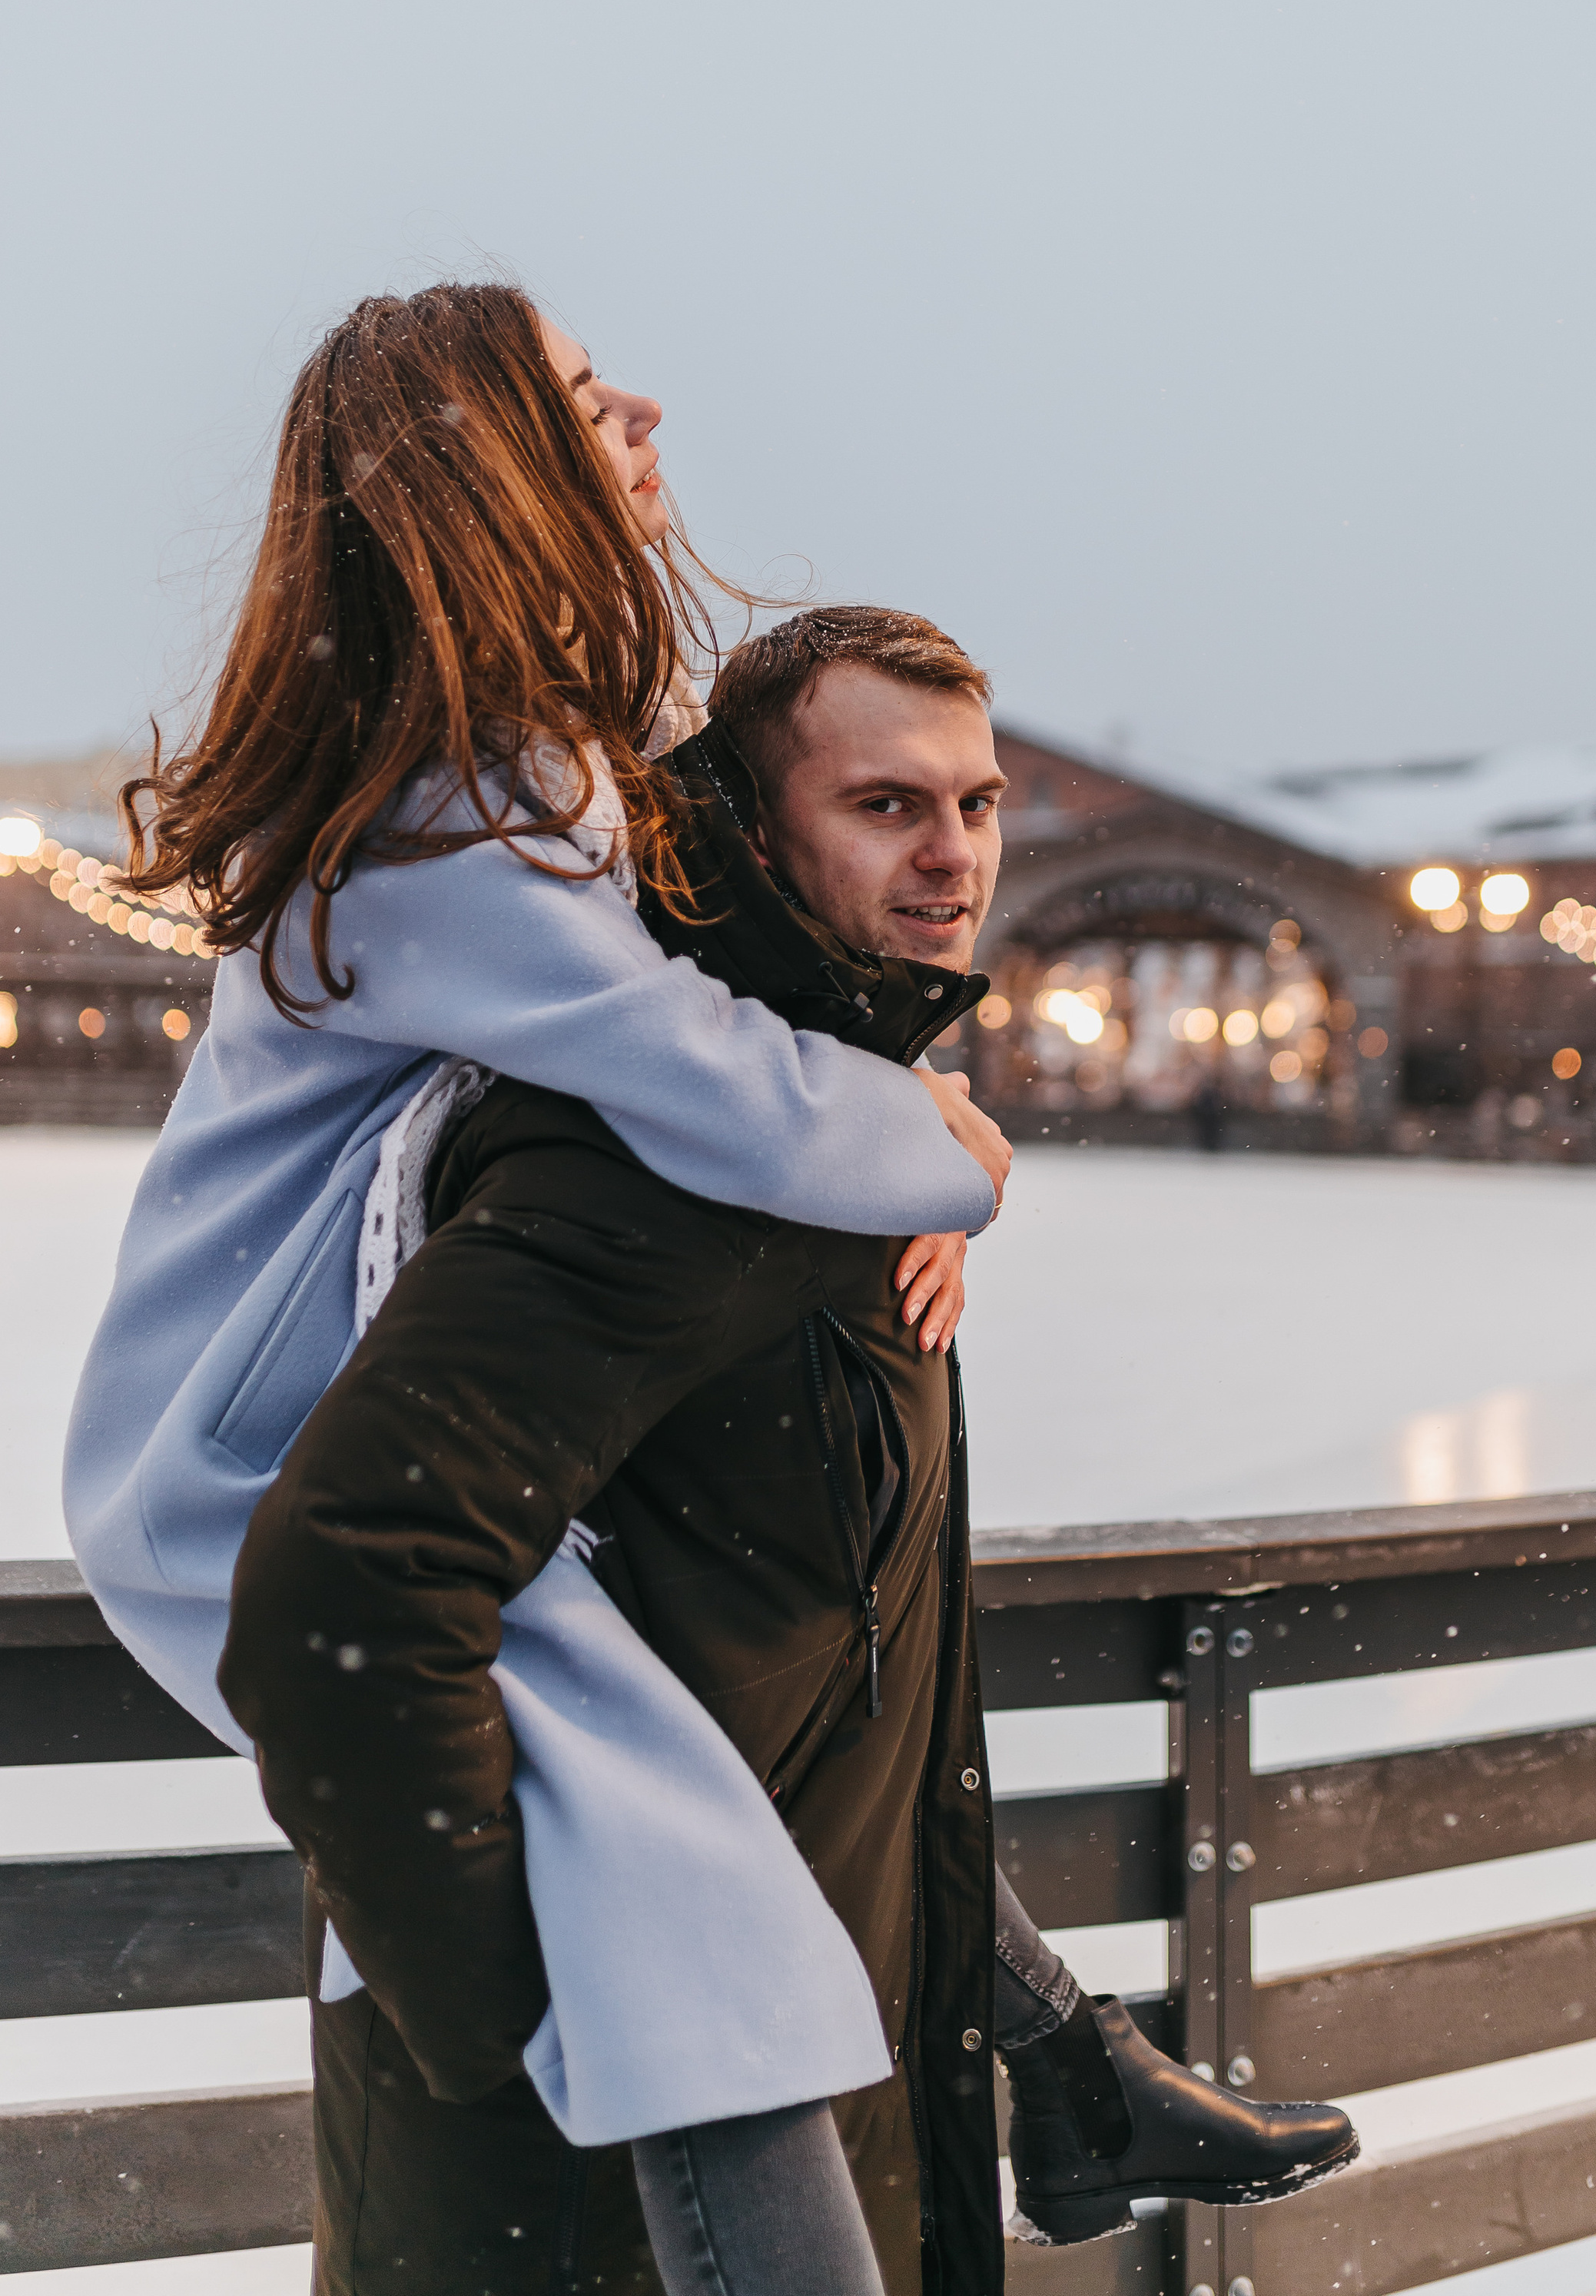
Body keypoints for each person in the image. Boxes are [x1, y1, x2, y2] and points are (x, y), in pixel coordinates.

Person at [60, 284, 1011, 2296]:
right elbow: (703, 1074)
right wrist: (938, 1142)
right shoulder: (463, 823)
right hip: (225, 1458)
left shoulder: (506, 777)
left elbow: (727, 1007)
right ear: (498, 469)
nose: (642, 404)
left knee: (688, 1879)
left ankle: (1045, 2047)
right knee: (670, 1909)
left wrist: (905, 1115)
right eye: (585, 394)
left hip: (302, 1422)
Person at [707, 613, 1359, 2251]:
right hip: (700, 1970)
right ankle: (1082, 2069)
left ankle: (1078, 2067)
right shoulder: (692, 1125)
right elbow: (400, 1558)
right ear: (750, 828)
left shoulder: (840, 1100)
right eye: (886, 805)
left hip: (814, 1923)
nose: (954, 851)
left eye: (979, 804)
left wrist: (904, 1132)